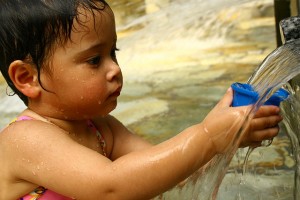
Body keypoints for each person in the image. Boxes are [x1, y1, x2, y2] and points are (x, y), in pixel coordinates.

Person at [0, 0, 282, 199]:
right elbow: (112, 187)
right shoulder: (25, 139)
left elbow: (171, 172)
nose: (115, 69)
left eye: (114, 52)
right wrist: (207, 136)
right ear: (27, 77)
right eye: (95, 59)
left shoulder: (101, 128)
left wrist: (229, 134)